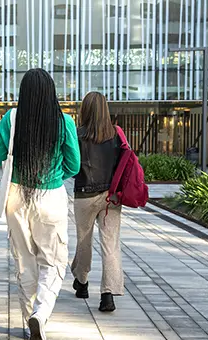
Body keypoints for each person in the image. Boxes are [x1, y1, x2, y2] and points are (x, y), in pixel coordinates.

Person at [0, 68, 80, 340]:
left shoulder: (11, 118)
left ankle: (28, 318)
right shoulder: (64, 121)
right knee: (53, 261)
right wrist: (54, 176)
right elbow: (74, 165)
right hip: (50, 196)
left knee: (24, 261)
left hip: (16, 196)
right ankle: (40, 316)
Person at [71, 91, 124, 312]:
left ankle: (82, 283)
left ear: (85, 109)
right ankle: (107, 295)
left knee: (84, 240)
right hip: (111, 197)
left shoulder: (77, 133)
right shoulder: (116, 134)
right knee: (110, 244)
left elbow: (73, 166)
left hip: (84, 195)